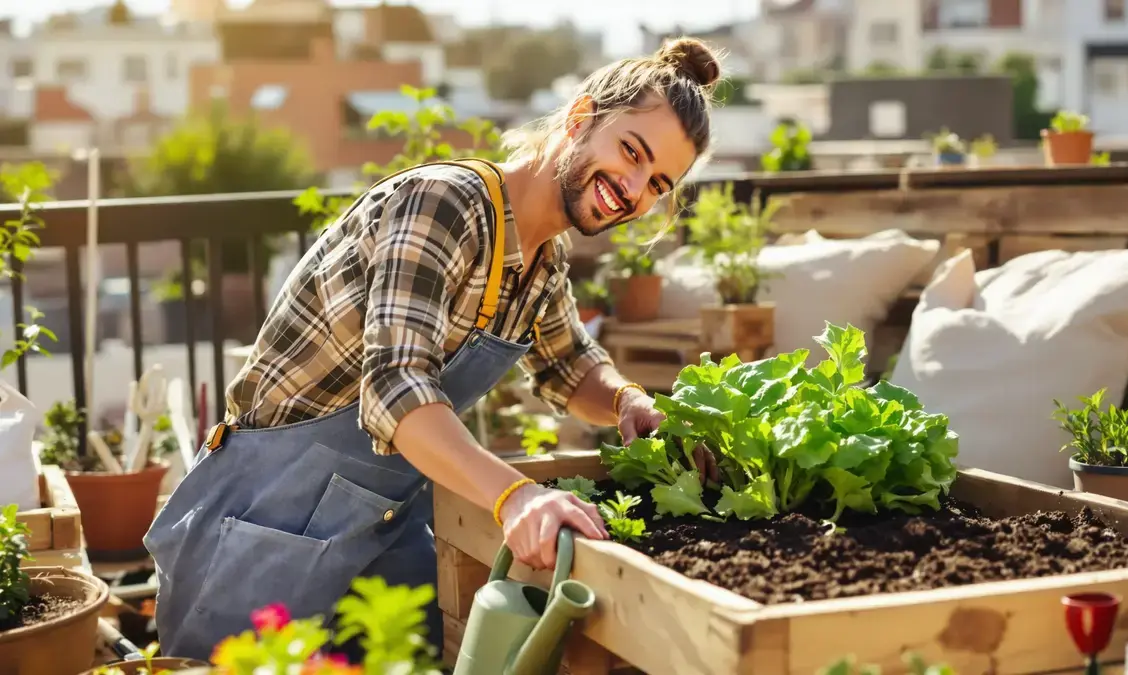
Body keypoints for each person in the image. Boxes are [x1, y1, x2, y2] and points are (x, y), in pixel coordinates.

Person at [144, 36, 725, 661]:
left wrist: (629, 403)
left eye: (657, 183)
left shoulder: (542, 260)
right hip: (266, 520)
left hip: (379, 528)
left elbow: (568, 366)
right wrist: (516, 495)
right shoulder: (444, 206)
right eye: (631, 153)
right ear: (582, 118)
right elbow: (396, 389)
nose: (634, 189)